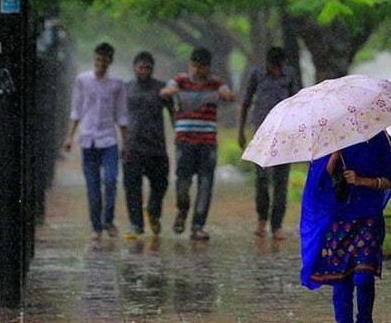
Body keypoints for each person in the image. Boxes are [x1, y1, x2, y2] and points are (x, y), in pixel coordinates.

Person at [299, 131, 391, 323]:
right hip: (337, 220)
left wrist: (362, 181)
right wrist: (334, 156)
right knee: (340, 281)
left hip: (369, 218)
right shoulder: (327, 140)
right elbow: (318, 185)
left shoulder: (379, 139)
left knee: (363, 278)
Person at [160, 47, 236, 241]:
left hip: (207, 141)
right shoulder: (179, 81)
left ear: (208, 68)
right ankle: (182, 210)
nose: (195, 70)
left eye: (200, 67)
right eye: (193, 66)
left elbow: (228, 95)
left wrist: (227, 96)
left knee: (205, 183)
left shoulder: (217, 84)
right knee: (183, 181)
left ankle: (198, 226)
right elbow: (165, 92)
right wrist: (170, 92)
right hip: (185, 140)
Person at [64, 42, 128, 242]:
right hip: (88, 140)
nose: (100, 64)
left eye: (104, 60)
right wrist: (70, 137)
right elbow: (76, 109)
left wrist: (125, 143)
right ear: (94, 59)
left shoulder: (117, 84)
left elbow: (122, 115)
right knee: (92, 187)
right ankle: (96, 227)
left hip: (108, 140)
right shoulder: (82, 80)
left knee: (110, 180)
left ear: (110, 61)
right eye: (97, 59)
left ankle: (108, 220)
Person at [238, 46, 302, 240]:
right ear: (268, 64)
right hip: (262, 132)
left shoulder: (290, 75)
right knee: (262, 179)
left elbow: (299, 102)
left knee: (281, 181)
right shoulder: (257, 74)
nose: (276, 70)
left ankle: (277, 225)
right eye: (273, 67)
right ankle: (261, 219)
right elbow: (246, 103)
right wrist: (240, 131)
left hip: (285, 132)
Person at [122, 51, 173, 239]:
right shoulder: (126, 89)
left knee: (160, 184)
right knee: (132, 187)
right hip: (132, 146)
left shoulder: (162, 89)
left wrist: (178, 133)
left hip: (156, 147)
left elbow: (174, 113)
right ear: (134, 68)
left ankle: (153, 211)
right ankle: (136, 224)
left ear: (153, 69)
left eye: (148, 68)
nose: (144, 71)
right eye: (141, 67)